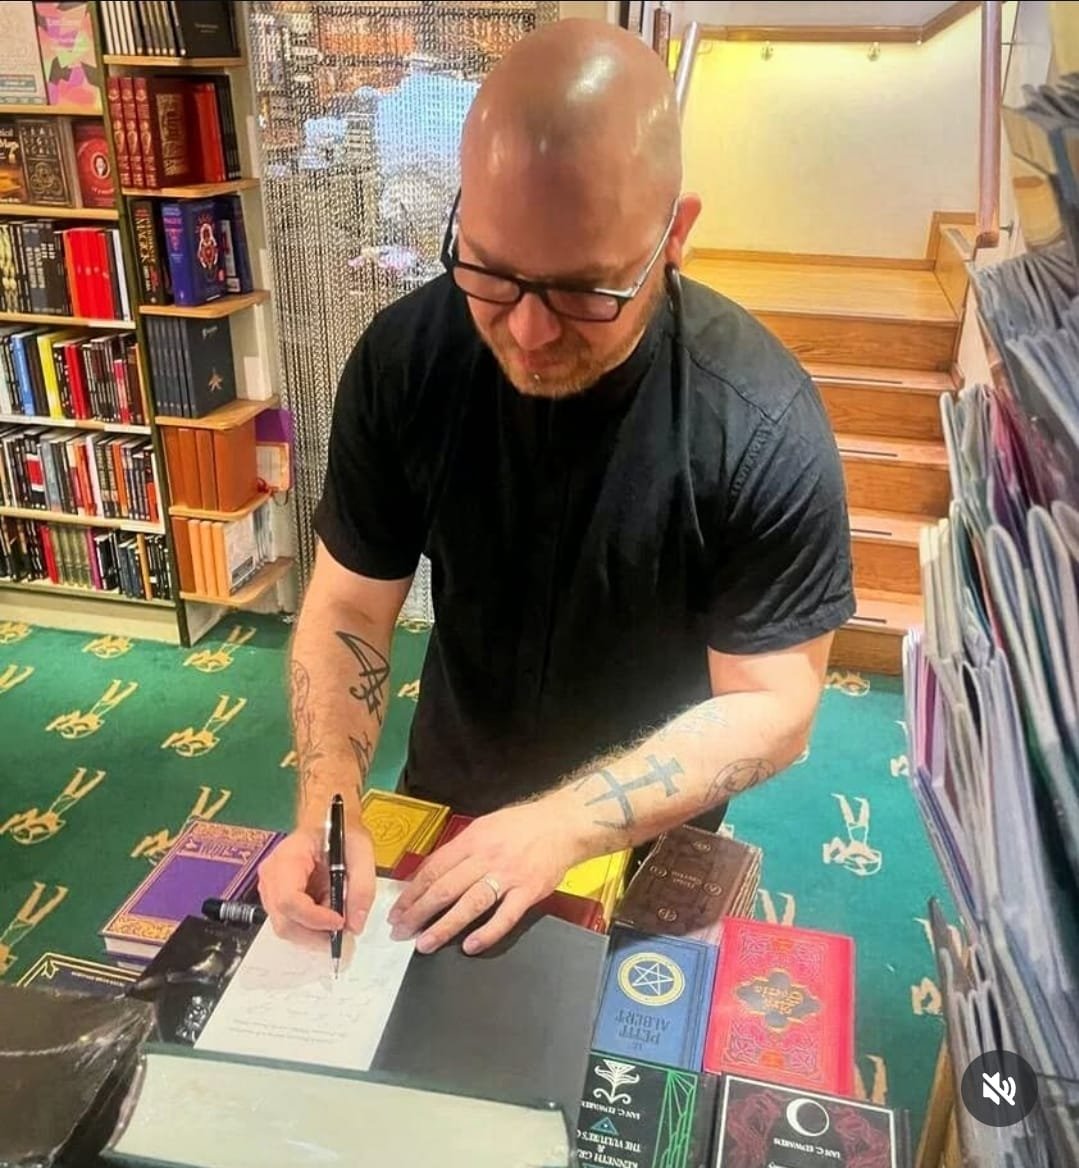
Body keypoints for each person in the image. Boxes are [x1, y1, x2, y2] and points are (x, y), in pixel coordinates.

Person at [258, 18, 855, 958]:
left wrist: (565, 824)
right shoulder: (404, 359)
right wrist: (328, 808)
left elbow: (775, 705)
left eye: (585, 291)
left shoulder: (758, 421)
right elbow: (348, 605)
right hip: (446, 795)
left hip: (649, 833)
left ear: (674, 235)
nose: (529, 333)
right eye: (491, 273)